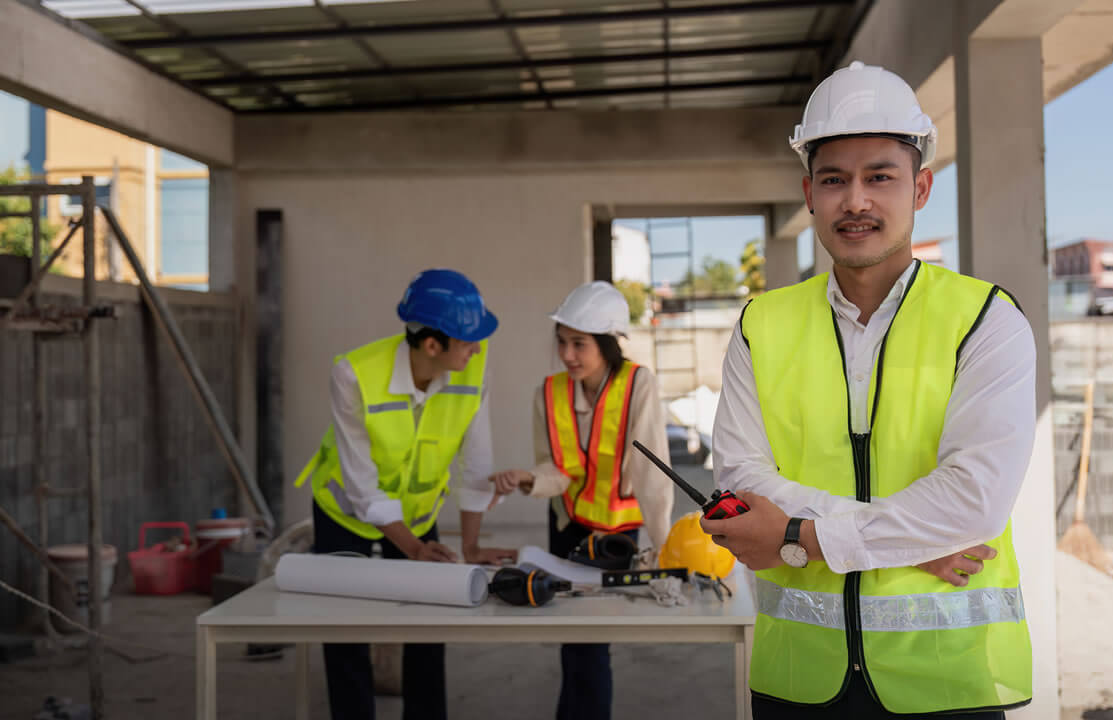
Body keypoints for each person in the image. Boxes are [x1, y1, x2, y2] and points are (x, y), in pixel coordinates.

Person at [701, 61, 1037, 719]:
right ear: (808, 193)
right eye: (834, 180)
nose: (855, 201)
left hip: (943, 683)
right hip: (796, 677)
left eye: (879, 176)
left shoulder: (986, 319)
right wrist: (911, 536)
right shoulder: (762, 325)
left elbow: (974, 500)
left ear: (920, 188)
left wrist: (802, 534)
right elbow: (741, 477)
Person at [294, 268, 516, 720]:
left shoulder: (473, 366)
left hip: (416, 518)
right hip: (343, 515)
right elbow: (362, 486)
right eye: (467, 340)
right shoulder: (353, 374)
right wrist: (413, 550)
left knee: (427, 631)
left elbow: (475, 461)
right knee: (345, 638)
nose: (476, 349)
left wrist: (469, 546)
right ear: (432, 345)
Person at [490, 281, 674, 720]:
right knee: (572, 636)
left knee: (593, 640)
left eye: (579, 344)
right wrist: (529, 477)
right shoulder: (547, 394)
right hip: (566, 526)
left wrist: (666, 549)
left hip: (617, 532)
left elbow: (652, 474)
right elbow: (557, 470)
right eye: (561, 343)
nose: (567, 354)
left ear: (608, 344)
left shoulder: (638, 385)